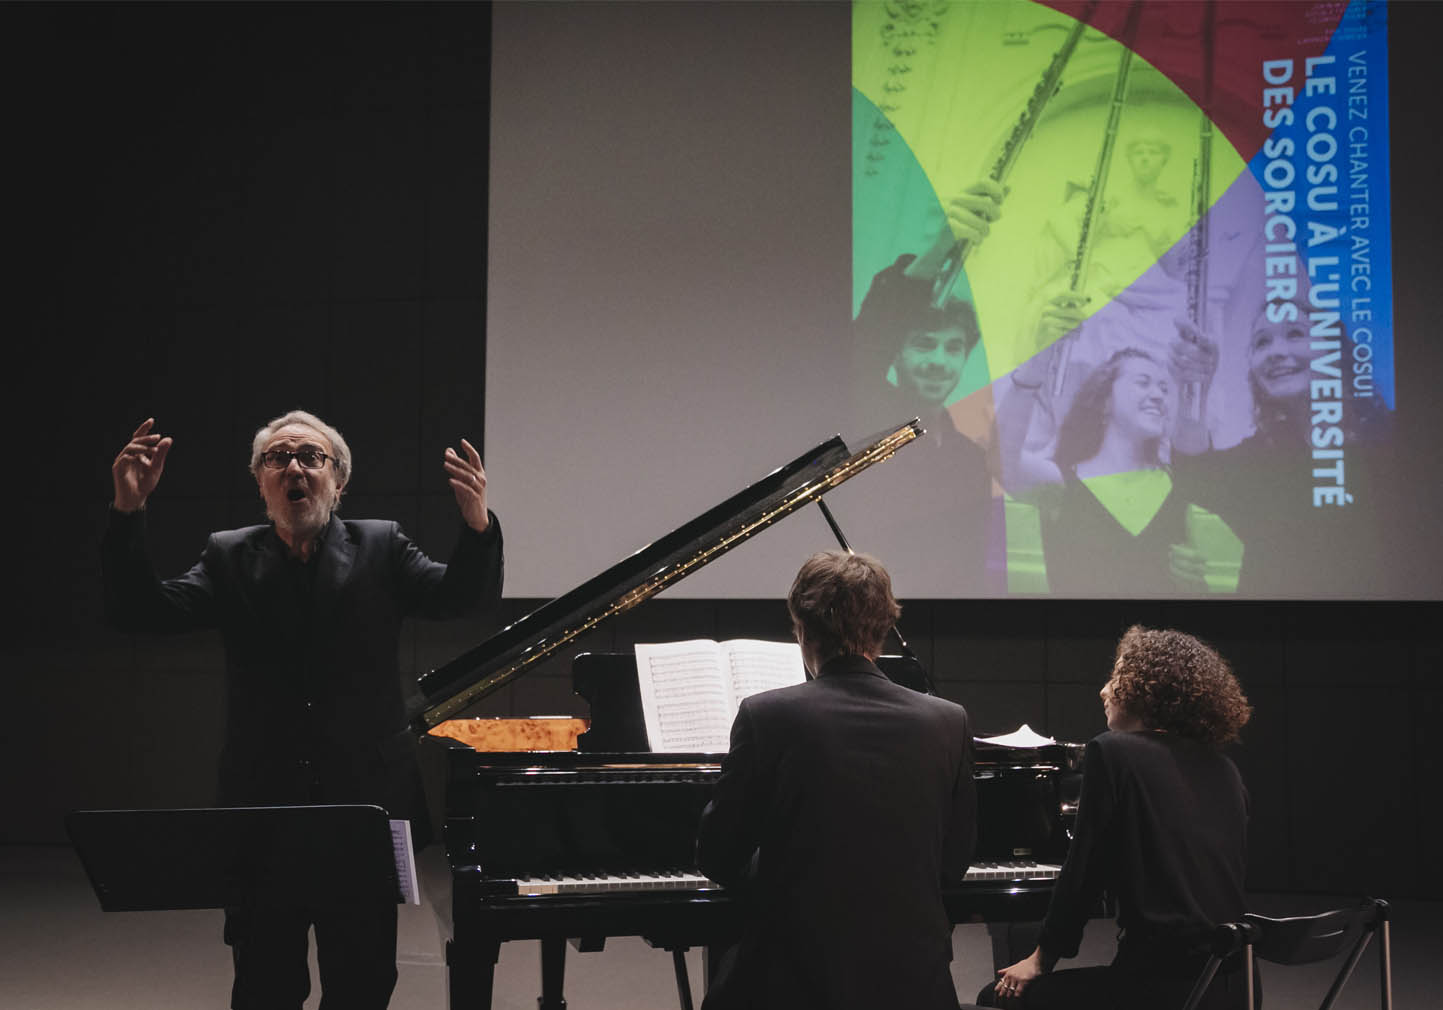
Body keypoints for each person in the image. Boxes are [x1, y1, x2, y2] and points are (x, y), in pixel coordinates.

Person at [101, 411, 504, 1010]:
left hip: (362, 807)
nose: (294, 467)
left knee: (362, 982)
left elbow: (461, 598)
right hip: (263, 811)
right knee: (265, 983)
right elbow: (143, 612)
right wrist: (128, 512)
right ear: (260, 482)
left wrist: (476, 528)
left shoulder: (381, 545)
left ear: (338, 482)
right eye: (277, 458)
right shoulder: (229, 555)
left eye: (311, 457)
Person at [696, 550, 976, 1010]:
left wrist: (781, 868)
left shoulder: (766, 716)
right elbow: (953, 865)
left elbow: (718, 858)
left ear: (802, 630)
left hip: (793, 985)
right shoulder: (948, 721)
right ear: (883, 627)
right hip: (914, 984)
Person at [984, 625, 1253, 1010]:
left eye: (1116, 678)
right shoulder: (1224, 768)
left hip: (1158, 989)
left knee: (995, 997)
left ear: (1148, 689)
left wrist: (1041, 959)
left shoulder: (1114, 752)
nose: (1104, 691)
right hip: (1233, 986)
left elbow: (1084, 872)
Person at [1174, 298, 1394, 596]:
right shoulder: (1260, 456)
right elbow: (1198, 477)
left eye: (1295, 334)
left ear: (1334, 348)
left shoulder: (1389, 437)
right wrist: (1194, 388)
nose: (1276, 352)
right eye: (1262, 342)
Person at [850, 180, 1005, 594]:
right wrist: (938, 250)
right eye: (923, 344)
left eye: (954, 348)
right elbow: (869, 339)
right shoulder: (864, 420)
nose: (940, 361)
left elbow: (969, 569)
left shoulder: (970, 456)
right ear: (895, 353)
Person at [996, 331, 1216, 596]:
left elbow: (1198, 592)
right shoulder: (1061, 484)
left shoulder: (1175, 484)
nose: (1158, 395)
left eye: (1164, 388)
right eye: (1143, 382)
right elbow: (1003, 465)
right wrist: (1032, 370)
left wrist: (1195, 585)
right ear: (1105, 401)